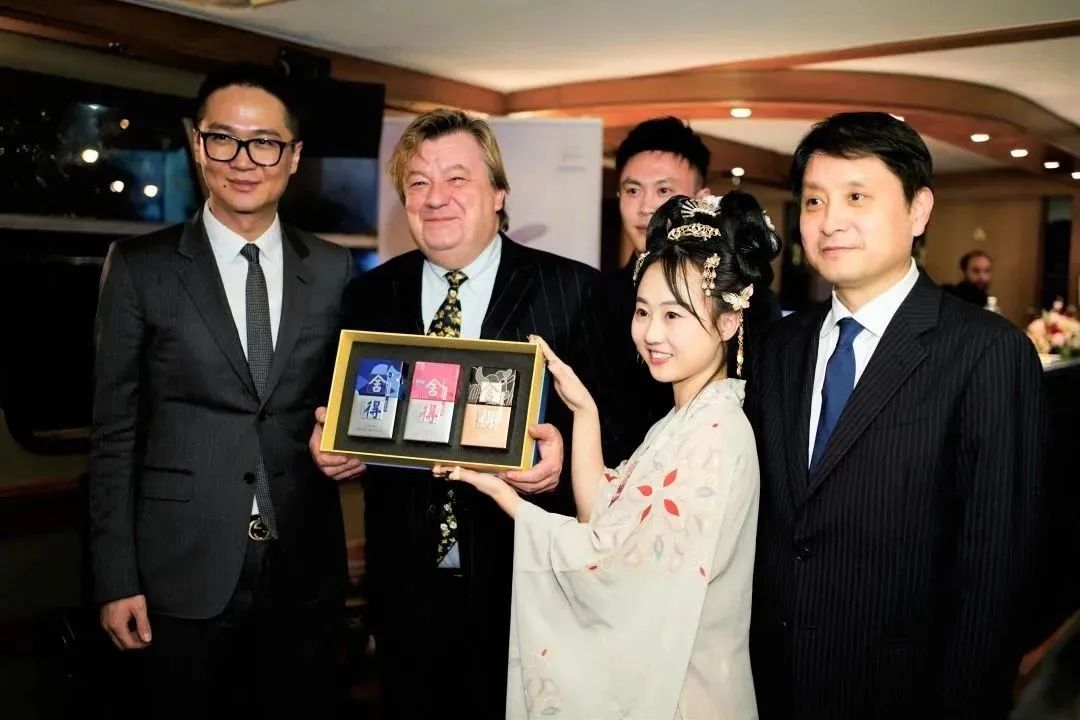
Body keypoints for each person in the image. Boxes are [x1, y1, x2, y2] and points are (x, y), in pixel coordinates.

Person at [746, 112, 1046, 719]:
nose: (830, 220)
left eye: (857, 197)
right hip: (771, 687)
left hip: (905, 693)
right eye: (814, 201)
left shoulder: (986, 351)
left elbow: (996, 573)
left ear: (918, 210)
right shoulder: (777, 347)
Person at [439, 191, 781, 718]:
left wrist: (512, 504)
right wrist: (584, 410)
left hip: (686, 689)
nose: (651, 333)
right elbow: (601, 516)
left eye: (674, 315)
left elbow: (616, 571)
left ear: (729, 322)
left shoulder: (714, 433)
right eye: (642, 311)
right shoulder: (683, 420)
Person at [308, 108, 600, 718]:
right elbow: (343, 414)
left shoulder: (575, 291)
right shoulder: (368, 296)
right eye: (418, 182)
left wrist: (566, 461)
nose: (435, 197)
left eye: (457, 178)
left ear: (499, 193)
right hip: (404, 590)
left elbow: (626, 427)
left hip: (527, 585)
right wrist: (329, 444)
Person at [88, 65, 353, 716]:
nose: (243, 159)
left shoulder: (333, 267)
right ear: (197, 143)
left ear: (293, 156)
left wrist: (351, 446)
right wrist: (114, 579)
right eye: (223, 138)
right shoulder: (140, 267)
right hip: (178, 569)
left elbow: (341, 401)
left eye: (264, 142)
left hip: (303, 568)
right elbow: (114, 434)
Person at [594, 116, 780, 461]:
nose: (645, 207)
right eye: (632, 190)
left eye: (664, 191)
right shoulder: (597, 296)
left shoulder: (743, 299)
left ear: (700, 197)